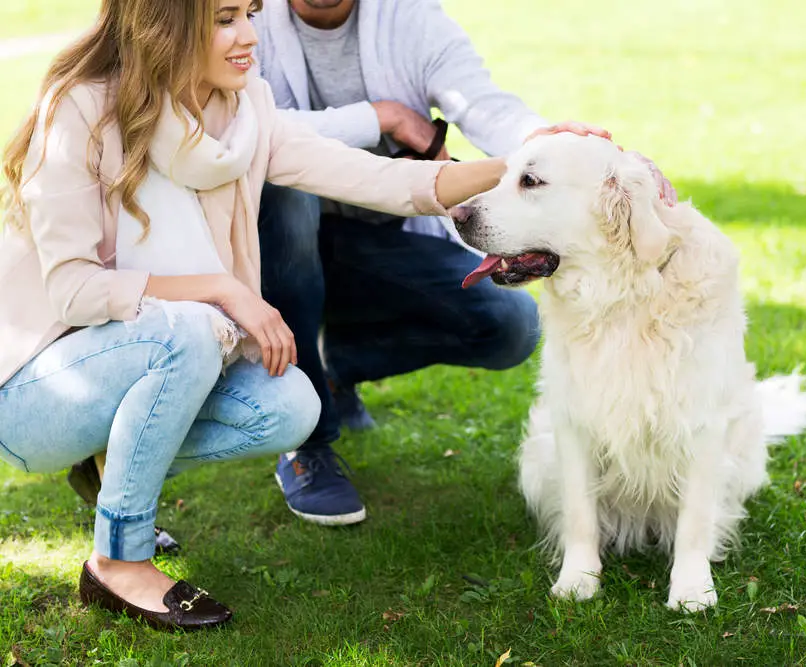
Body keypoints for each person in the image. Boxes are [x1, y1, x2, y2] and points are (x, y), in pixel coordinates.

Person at [0, 0, 606, 630]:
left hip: (143, 359)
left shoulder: (243, 111)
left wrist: (529, 166)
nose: (249, 37)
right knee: (183, 327)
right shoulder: (81, 109)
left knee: (290, 406)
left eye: (250, 15)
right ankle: (118, 562)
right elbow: (74, 289)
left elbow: (384, 181)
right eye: (225, 18)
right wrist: (223, 290)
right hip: (36, 390)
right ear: (166, 21)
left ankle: (111, 462)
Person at [253, 0, 553, 526]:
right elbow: (244, 123)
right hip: (274, 256)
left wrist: (555, 145)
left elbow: (482, 103)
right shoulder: (244, 18)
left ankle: (329, 371)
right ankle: (307, 442)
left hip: (379, 245)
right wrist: (382, 117)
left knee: (511, 326)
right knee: (285, 192)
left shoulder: (410, 16)